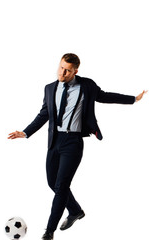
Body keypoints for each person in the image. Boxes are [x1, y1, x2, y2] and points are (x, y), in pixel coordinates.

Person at [8, 53, 147, 240]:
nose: (62, 73)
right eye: (60, 68)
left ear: (75, 71)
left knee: (62, 185)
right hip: (54, 141)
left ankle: (49, 231)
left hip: (72, 143)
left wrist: (133, 99)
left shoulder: (86, 85)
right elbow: (44, 114)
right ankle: (75, 211)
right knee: (52, 183)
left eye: (67, 70)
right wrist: (25, 132)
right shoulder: (50, 88)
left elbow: (105, 96)